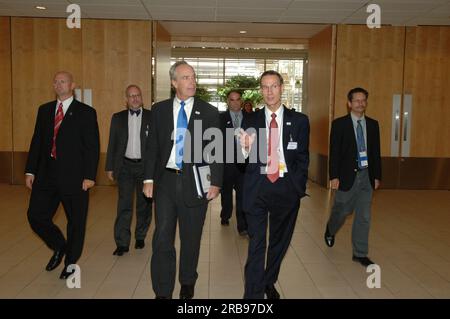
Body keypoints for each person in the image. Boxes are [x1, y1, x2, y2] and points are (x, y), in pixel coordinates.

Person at [143, 61, 223, 299]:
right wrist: (148, 179)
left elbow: (216, 150)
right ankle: (162, 290)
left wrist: (216, 182)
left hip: (196, 183)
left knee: (191, 237)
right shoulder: (159, 110)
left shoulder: (208, 111)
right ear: (174, 82)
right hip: (166, 182)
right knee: (163, 237)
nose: (192, 82)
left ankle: (187, 281)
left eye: (193, 77)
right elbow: (152, 147)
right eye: (186, 77)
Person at [239, 70, 309, 299]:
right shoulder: (249, 119)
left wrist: (297, 187)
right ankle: (252, 294)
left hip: (286, 188)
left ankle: (268, 281)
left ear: (282, 88)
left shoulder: (299, 120)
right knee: (257, 242)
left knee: (279, 242)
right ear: (261, 90)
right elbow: (241, 156)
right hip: (258, 186)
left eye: (274, 86)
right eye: (264, 87)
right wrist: (246, 147)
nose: (269, 91)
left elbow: (302, 157)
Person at [25, 71, 100, 279]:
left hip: (75, 178)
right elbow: (37, 142)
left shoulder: (86, 112)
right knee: (35, 215)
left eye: (63, 81)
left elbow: (92, 147)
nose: (59, 84)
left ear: (72, 85)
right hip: (46, 175)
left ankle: (70, 262)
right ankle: (59, 245)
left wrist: (89, 175)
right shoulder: (45, 110)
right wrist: (30, 170)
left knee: (75, 222)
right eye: (56, 81)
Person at [324, 87, 381, 267]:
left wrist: (377, 176)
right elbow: (334, 152)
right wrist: (334, 176)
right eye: (357, 100)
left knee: (364, 216)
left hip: (366, 175)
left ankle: (360, 253)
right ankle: (330, 229)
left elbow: (375, 153)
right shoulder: (340, 124)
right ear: (349, 104)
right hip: (347, 175)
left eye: (363, 100)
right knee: (342, 211)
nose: (360, 104)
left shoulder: (373, 124)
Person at [105, 85, 152, 256]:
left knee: (144, 205)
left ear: (142, 97)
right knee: (124, 205)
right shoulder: (117, 118)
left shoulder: (151, 117)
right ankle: (122, 242)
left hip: (145, 168)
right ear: (126, 99)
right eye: (131, 96)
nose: (134, 98)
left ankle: (140, 236)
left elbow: (157, 145)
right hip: (124, 166)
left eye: (137, 95)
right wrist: (109, 166)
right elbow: (112, 144)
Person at [219, 90, 248, 235]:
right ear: (228, 102)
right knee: (226, 192)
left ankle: (242, 225)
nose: (235, 102)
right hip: (227, 162)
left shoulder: (250, 118)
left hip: (244, 163)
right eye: (232, 100)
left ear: (241, 101)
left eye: (237, 100)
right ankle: (225, 214)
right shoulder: (220, 118)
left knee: (243, 193)